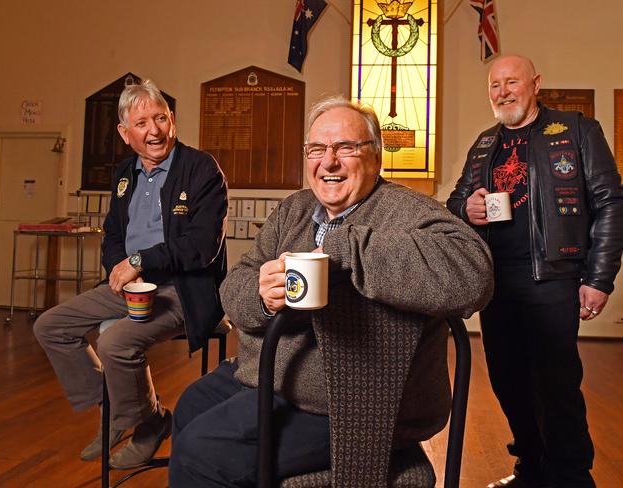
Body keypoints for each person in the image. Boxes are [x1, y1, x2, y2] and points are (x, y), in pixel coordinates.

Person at [168, 96, 494, 487]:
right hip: (268, 374)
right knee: (189, 406)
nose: (329, 161)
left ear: (376, 158)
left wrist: (346, 248)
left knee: (202, 453)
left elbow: (474, 274)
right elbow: (236, 282)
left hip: (350, 405)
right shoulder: (295, 209)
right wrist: (261, 296)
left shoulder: (406, 211)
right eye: (317, 149)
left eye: (346, 148)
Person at [447, 55, 623, 488]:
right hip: (496, 283)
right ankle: (531, 469)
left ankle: (571, 477)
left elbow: (610, 203)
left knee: (556, 385)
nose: (503, 92)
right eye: (495, 85)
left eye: (512, 82)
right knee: (509, 381)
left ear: (535, 84)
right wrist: (466, 208)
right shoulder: (486, 142)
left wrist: (599, 278)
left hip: (554, 278)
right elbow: (455, 203)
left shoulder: (577, 130)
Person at [34, 79, 228, 469]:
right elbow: (113, 236)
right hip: (132, 285)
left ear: (172, 120)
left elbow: (202, 247)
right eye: (142, 123)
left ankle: (143, 425)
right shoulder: (125, 172)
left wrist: (140, 261)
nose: (154, 130)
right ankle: (126, 411)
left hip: (183, 290)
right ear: (125, 133)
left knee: (115, 343)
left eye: (160, 118)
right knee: (49, 326)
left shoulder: (200, 168)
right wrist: (120, 270)